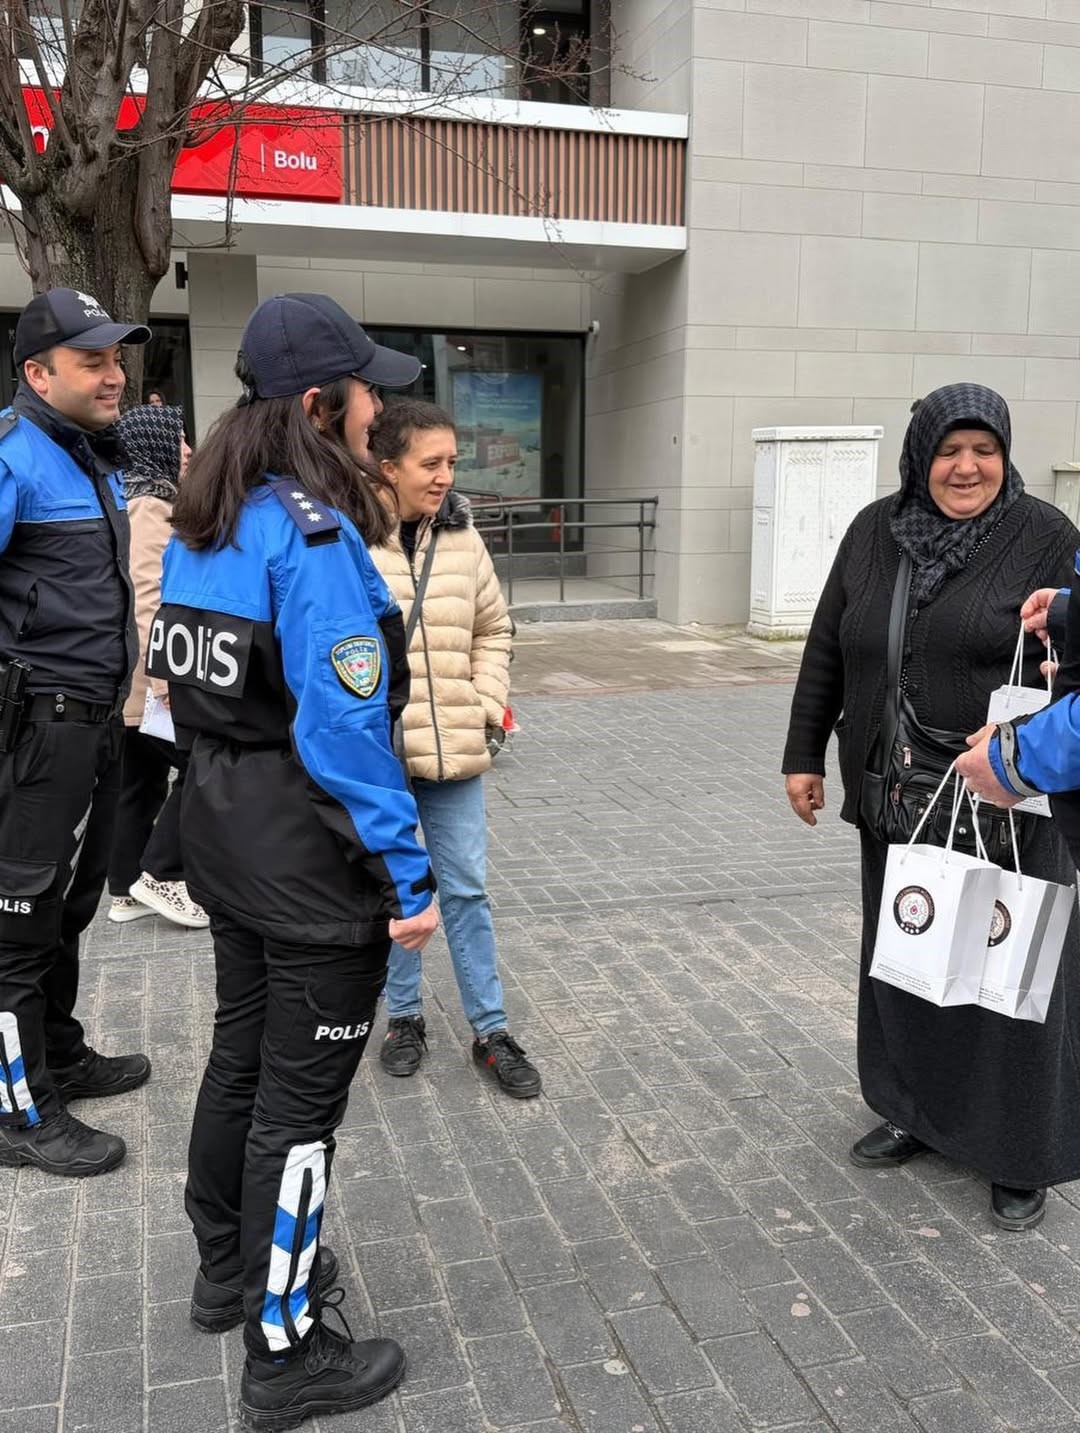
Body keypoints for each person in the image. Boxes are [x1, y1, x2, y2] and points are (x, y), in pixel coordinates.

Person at [156, 294, 438, 1429]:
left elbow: (182, 685)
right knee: (300, 1109)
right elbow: (343, 730)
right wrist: (408, 877)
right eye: (367, 388)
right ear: (323, 405)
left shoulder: (208, 519)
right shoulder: (311, 531)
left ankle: (226, 1270)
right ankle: (287, 1351)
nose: (381, 403)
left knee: (239, 1060)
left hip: (227, 834)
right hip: (309, 857)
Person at [782, 383, 1080, 1233]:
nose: (967, 466)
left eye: (984, 448)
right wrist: (804, 754)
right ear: (920, 456)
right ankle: (917, 1110)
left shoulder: (1046, 537)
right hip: (897, 793)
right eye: (950, 449)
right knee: (910, 955)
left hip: (1007, 801)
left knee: (1013, 977)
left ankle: (1018, 1149)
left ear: (1006, 453)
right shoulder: (876, 529)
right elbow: (828, 646)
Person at [0, 287, 153, 1178]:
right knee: (15, 929)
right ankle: (20, 1111)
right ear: (37, 372)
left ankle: (58, 1054)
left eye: (114, 356)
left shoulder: (89, 459)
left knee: (67, 909)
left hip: (91, 730)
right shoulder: (15, 455)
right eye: (92, 359)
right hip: (34, 736)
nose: (113, 372)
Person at [369, 399, 541, 1099]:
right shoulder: (348, 535)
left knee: (466, 888)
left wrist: (482, 700)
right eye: (430, 463)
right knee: (397, 892)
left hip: (455, 752)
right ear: (388, 467)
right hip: (378, 759)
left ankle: (491, 1030)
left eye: (452, 463)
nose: (445, 477)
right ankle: (402, 1018)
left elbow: (495, 627)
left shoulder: (464, 539)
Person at [106, 402, 207, 929]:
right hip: (152, 683)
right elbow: (148, 598)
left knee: (138, 782)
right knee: (200, 766)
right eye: (180, 441)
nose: (188, 451)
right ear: (158, 448)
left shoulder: (130, 498)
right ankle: (163, 875)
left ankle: (124, 890)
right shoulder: (150, 504)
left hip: (132, 684)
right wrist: (165, 677)